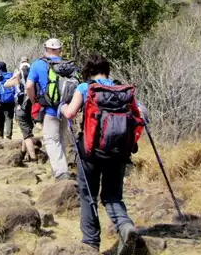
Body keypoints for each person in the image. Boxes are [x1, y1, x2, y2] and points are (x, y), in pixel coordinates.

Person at [61, 53, 142, 255]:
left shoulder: (85, 88)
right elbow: (138, 117)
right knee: (113, 197)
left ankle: (90, 243)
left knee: (88, 195)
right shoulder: (122, 90)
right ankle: (125, 227)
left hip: (90, 152)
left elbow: (70, 113)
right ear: (107, 70)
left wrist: (62, 107)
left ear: (88, 71)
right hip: (119, 152)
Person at [25, 38, 73, 181]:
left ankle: (61, 172)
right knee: (61, 139)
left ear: (46, 48)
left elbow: (28, 86)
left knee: (51, 140)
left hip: (49, 109)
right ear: (60, 49)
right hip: (66, 109)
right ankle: (60, 168)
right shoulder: (67, 65)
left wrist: (34, 101)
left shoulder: (38, 64)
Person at [3, 57, 38, 162]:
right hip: (32, 104)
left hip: (21, 105)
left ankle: (33, 158)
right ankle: (23, 153)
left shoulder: (19, 73)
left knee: (27, 135)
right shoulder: (33, 71)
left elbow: (6, 85)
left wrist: (14, 78)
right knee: (27, 130)